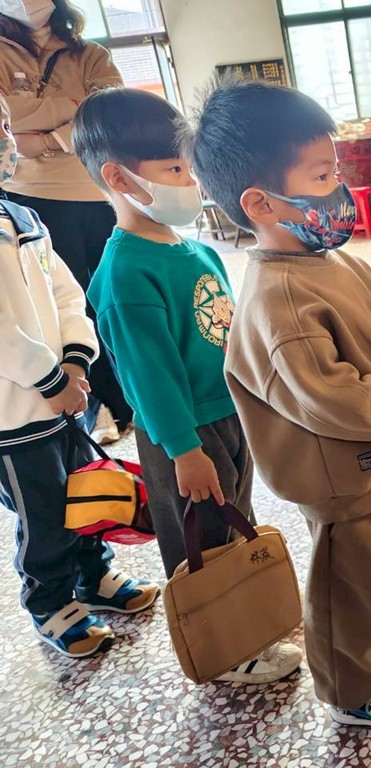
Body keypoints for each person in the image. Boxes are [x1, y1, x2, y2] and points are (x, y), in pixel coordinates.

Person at [181, 78, 371, 729]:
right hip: (341, 473)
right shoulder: (279, 302)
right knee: (351, 580)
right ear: (261, 202)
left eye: (336, 171)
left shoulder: (333, 263)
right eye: (321, 176)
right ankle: (353, 686)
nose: (340, 190)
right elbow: (335, 402)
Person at [71, 86, 302, 685]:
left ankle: (250, 616)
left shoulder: (198, 251)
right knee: (202, 540)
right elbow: (148, 377)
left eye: (189, 168)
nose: (190, 182)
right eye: (174, 170)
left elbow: (228, 337)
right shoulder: (127, 272)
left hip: (226, 415)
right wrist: (184, 451)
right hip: (183, 431)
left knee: (234, 521)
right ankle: (226, 648)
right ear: (119, 177)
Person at [0, 96, 158, 659]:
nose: (6, 142)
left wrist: (74, 361)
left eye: (4, 127)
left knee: (84, 489)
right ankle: (51, 602)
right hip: (14, 417)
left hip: (65, 396)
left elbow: (67, 294)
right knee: (44, 513)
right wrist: (50, 382)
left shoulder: (23, 217)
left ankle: (95, 573)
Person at [0, 0, 132, 445]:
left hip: (98, 194)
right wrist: (70, 108)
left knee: (113, 303)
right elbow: (5, 117)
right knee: (60, 310)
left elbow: (110, 118)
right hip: (30, 199)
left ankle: (130, 398)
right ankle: (91, 408)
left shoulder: (91, 54)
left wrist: (43, 140)